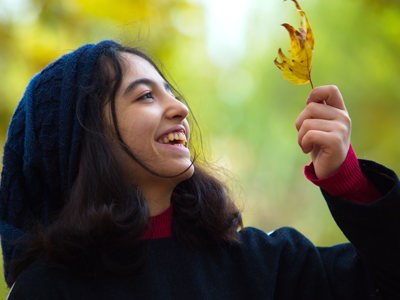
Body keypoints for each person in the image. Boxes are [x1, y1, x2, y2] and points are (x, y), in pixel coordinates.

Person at [0, 40, 399, 299]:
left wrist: (349, 183)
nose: (180, 108)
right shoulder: (47, 290)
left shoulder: (265, 265)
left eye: (171, 92)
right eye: (144, 96)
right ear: (84, 139)